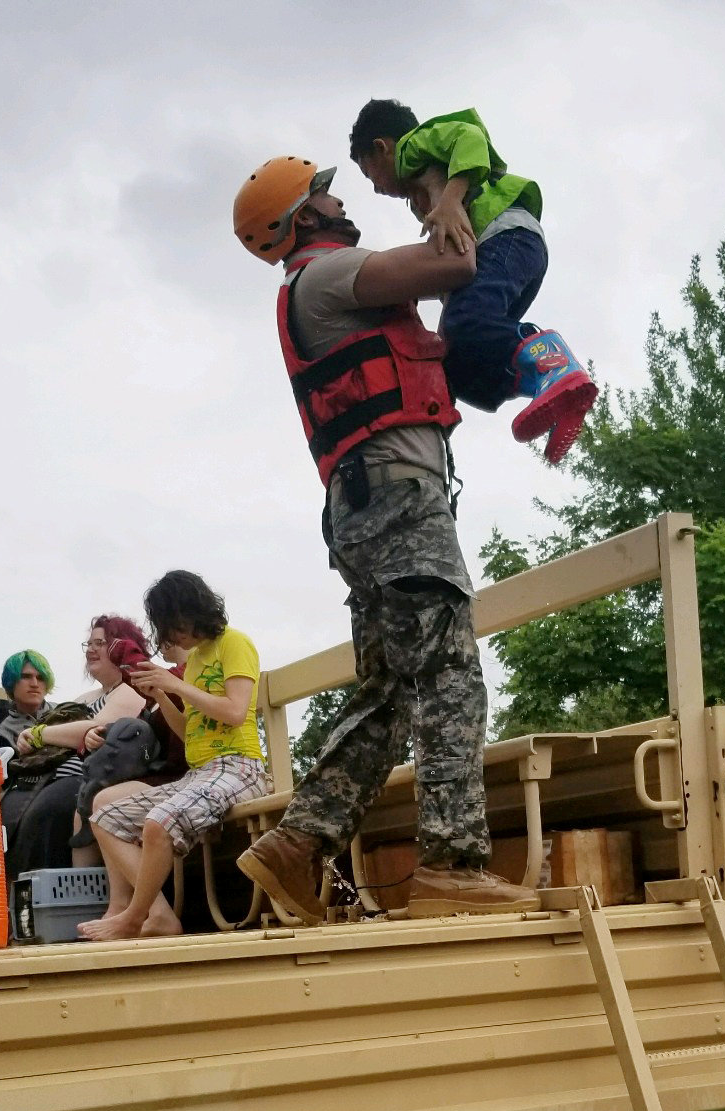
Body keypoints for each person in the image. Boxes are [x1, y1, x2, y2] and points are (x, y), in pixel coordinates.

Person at [230, 155, 537, 925]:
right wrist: (447, 195)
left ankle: (297, 845)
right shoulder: (327, 276)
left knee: (390, 692)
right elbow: (456, 261)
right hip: (397, 501)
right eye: (328, 192)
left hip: (365, 506)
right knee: (448, 672)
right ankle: (450, 865)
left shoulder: (313, 286)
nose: (346, 200)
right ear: (304, 217)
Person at [346, 99, 598, 463]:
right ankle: (548, 389)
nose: (376, 189)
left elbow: (470, 137)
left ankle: (554, 364)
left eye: (371, 175)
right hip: (510, 252)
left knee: (468, 322)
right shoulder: (421, 186)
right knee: (458, 359)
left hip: (506, 236)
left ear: (383, 147)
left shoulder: (416, 144)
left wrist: (449, 198)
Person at [79, 573, 271, 941]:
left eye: (173, 623)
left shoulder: (235, 644)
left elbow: (234, 711)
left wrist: (176, 684)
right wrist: (163, 696)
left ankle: (133, 917)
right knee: (105, 817)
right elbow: (188, 734)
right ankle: (159, 916)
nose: (171, 635)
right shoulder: (196, 660)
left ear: (192, 610)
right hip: (201, 772)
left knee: (160, 821)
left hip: (240, 767)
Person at [4, 617, 151, 879]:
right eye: (89, 643)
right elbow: (62, 732)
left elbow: (95, 728)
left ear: (123, 646)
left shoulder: (131, 691)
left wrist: (39, 734)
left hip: (86, 780)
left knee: (46, 813)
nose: (91, 649)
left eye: (100, 643)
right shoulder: (84, 698)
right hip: (48, 779)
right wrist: (30, 742)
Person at [0, 649, 70, 834]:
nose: (35, 684)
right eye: (26, 677)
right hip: (26, 802)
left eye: (40, 677)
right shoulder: (0, 735)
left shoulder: (68, 714)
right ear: (11, 683)